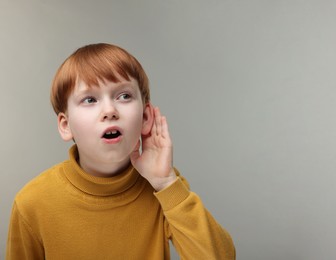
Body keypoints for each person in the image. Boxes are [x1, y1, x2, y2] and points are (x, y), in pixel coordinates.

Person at [6, 43, 235, 259]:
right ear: (66, 126)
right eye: (89, 99)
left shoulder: (164, 188)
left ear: (145, 117)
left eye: (124, 96)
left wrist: (166, 184)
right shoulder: (32, 203)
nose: (109, 110)